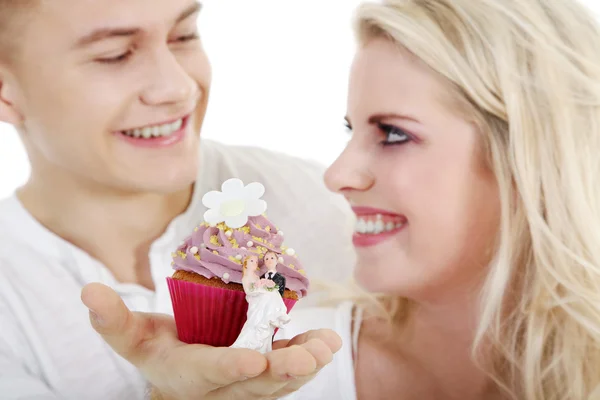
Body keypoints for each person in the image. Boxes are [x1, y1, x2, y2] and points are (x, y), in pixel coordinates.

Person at [88, 0, 600, 399]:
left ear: (529, 158)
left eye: (394, 134)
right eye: (351, 130)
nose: (336, 176)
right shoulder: (280, 371)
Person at [0, 0, 355, 399]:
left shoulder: (327, 207)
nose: (179, 87)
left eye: (184, 36)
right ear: (5, 92)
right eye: (114, 56)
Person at [230, 255, 291, 354]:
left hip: (265, 302)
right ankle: (250, 343)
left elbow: (276, 291)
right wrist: (261, 288)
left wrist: (265, 287)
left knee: (266, 321)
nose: (255, 263)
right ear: (245, 264)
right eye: (252, 261)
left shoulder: (259, 277)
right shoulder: (247, 278)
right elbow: (249, 291)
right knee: (256, 322)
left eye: (256, 262)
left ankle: (264, 347)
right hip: (256, 303)